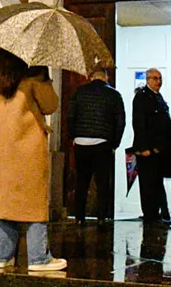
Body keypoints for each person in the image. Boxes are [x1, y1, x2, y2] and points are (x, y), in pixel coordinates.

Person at [0, 50, 67, 272]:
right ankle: (39, 258)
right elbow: (50, 105)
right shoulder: (35, 70)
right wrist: (44, 78)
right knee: (33, 197)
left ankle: (1, 256)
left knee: (2, 195)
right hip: (27, 140)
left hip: (1, 139)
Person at [68, 67, 126, 226]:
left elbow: (71, 115)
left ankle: (80, 217)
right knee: (102, 182)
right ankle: (101, 217)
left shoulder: (79, 92)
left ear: (91, 77)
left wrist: (73, 136)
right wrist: (115, 143)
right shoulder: (114, 94)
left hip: (81, 141)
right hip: (102, 142)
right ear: (106, 78)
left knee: (82, 181)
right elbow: (120, 121)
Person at [132, 68, 171, 224]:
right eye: (154, 78)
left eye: (160, 78)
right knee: (148, 184)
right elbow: (139, 123)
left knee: (157, 182)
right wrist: (143, 147)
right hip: (147, 149)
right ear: (147, 79)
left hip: (159, 150)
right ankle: (150, 215)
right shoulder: (142, 97)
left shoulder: (158, 97)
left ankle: (160, 214)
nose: (158, 81)